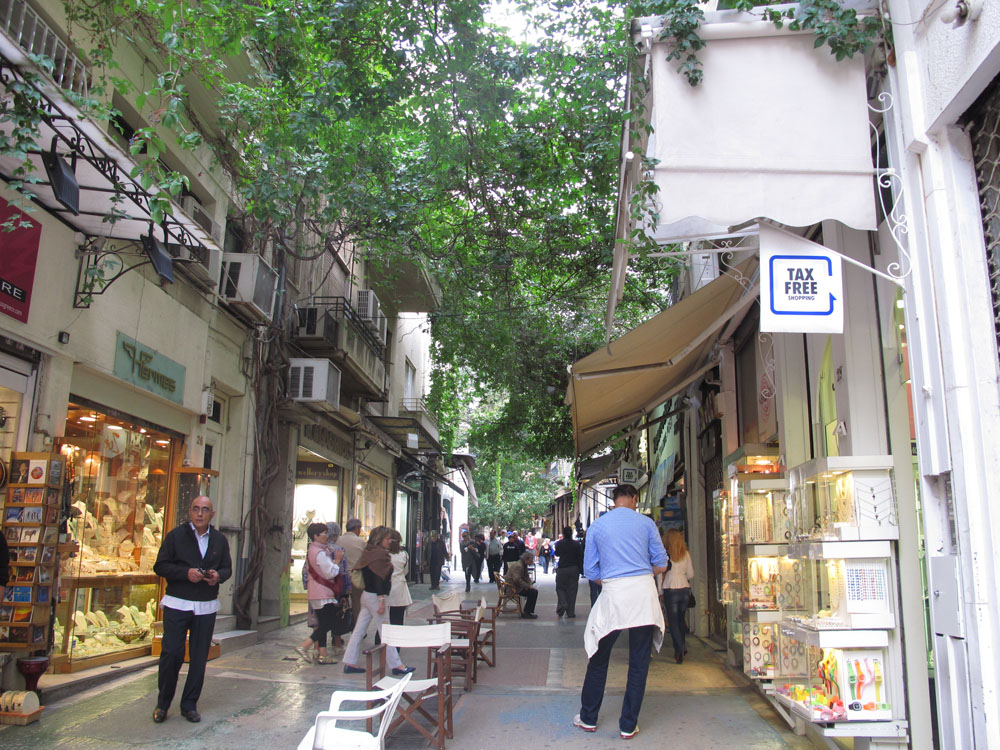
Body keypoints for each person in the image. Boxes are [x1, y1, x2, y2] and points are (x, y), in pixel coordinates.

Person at [573, 485, 667, 740]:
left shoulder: (597, 526)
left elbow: (591, 572)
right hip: (643, 598)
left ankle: (589, 718)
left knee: (599, 657)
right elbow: (661, 563)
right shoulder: (646, 524)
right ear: (634, 499)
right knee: (638, 662)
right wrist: (640, 574)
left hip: (613, 596)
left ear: (614, 501)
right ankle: (628, 725)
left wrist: (614, 580)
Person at [152, 496, 232, 724]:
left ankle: (189, 704)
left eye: (205, 510)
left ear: (212, 514)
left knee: (198, 658)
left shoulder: (219, 540)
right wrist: (185, 573)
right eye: (196, 509)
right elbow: (161, 566)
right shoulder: (176, 536)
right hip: (178, 603)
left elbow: (227, 568)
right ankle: (163, 703)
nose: (200, 514)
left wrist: (218, 576)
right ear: (190, 511)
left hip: (205, 606)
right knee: (172, 653)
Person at [342, 525, 415, 676]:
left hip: (367, 595)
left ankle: (349, 661)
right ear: (380, 539)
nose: (390, 541)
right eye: (387, 539)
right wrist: (381, 599)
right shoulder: (380, 555)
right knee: (386, 631)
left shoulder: (369, 552)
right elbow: (378, 578)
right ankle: (397, 665)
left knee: (359, 630)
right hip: (376, 597)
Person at [295, 522, 345, 664]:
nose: (326, 536)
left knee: (323, 622)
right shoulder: (319, 552)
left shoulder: (315, 549)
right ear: (315, 536)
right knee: (328, 623)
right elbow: (330, 572)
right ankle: (305, 645)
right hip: (322, 591)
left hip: (318, 591)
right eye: (324, 533)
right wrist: (337, 561)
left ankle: (323, 654)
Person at [662, 528, 695, 664]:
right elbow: (691, 574)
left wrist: (659, 592)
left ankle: (679, 649)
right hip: (684, 589)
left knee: (673, 621)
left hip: (670, 588)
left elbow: (660, 575)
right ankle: (682, 645)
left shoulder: (665, 555)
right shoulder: (685, 554)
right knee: (681, 620)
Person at [339, 519, 366, 624]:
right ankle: (357, 627)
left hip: (341, 576)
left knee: (341, 603)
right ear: (356, 528)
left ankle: (338, 632)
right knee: (357, 604)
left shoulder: (339, 540)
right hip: (356, 577)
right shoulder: (360, 542)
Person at [554, 526, 582, 618]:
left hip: (562, 568)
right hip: (574, 569)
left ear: (564, 533)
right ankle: (570, 612)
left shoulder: (559, 543)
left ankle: (563, 603)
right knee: (572, 590)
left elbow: (557, 553)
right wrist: (581, 569)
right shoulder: (576, 544)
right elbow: (580, 557)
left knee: (560, 588)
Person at [386, 529, 412, 626]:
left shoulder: (385, 554)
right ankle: (397, 639)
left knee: (384, 621)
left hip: (387, 588)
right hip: (400, 588)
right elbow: (406, 571)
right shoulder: (404, 554)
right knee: (398, 620)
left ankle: (380, 640)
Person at [505, 551, 539, 619]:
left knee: (533, 591)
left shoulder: (523, 564)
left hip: (516, 586)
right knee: (533, 592)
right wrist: (528, 586)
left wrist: (530, 584)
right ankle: (527, 612)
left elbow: (526, 577)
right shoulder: (519, 566)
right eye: (531, 560)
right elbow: (517, 580)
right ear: (526, 559)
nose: (532, 562)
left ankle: (527, 611)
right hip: (513, 588)